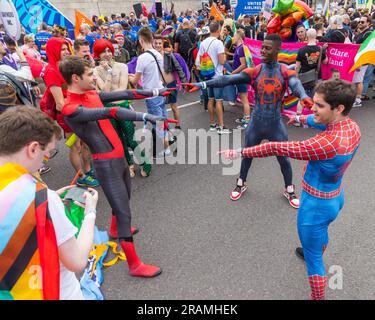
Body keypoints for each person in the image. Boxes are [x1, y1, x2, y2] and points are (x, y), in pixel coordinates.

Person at [220, 79, 361, 300]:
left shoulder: (326, 144)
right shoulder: (350, 127)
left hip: (315, 205)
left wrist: (239, 152)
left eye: (319, 105)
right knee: (320, 236)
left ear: (339, 108)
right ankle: (311, 249)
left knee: (315, 260)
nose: (313, 108)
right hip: (335, 195)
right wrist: (298, 118)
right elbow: (318, 121)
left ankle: (317, 297)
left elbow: (276, 147)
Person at [59, 56, 173, 277]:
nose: (94, 77)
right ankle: (134, 265)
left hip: (119, 158)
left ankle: (114, 230)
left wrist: (157, 92)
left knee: (124, 199)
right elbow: (112, 112)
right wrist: (148, 116)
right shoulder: (70, 108)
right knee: (124, 213)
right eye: (90, 74)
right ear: (75, 78)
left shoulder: (91, 94)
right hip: (106, 163)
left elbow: (125, 94)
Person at [185, 34, 313, 207]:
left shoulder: (284, 70)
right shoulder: (256, 71)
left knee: (283, 158)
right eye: (262, 47)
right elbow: (226, 79)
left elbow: (295, 83)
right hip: (256, 123)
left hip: (275, 124)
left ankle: (289, 188)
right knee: (247, 155)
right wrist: (202, 85)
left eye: (267, 48)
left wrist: (303, 96)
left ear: (277, 50)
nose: (263, 51)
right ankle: (241, 182)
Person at [0, 106, 99, 300]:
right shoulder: (38, 197)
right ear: (33, 148)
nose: (45, 161)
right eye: (48, 153)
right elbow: (77, 261)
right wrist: (90, 212)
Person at [93, 39, 152, 178]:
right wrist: (108, 72)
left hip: (123, 107)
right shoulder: (95, 71)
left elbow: (121, 90)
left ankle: (145, 163)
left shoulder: (122, 66)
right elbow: (105, 92)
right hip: (108, 110)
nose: (107, 54)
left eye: (109, 50)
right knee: (118, 141)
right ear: (98, 54)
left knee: (131, 139)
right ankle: (129, 164)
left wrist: (108, 92)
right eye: (103, 51)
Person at [129, 27, 171, 158]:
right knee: (163, 118)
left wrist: (127, 75)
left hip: (151, 94)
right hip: (160, 90)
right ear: (151, 39)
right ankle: (168, 141)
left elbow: (135, 81)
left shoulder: (142, 58)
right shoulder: (158, 54)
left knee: (157, 122)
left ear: (141, 40)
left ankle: (167, 148)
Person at [195, 21, 231, 134]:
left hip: (207, 75)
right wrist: (224, 57)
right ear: (218, 30)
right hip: (217, 76)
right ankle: (221, 126)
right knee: (219, 101)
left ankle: (212, 124)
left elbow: (199, 61)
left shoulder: (203, 42)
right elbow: (222, 61)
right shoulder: (219, 43)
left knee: (210, 99)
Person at [295, 29, 328, 98]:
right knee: (317, 98)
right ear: (315, 36)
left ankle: (300, 109)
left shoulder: (301, 50)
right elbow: (325, 62)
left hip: (305, 78)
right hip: (317, 77)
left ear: (307, 36)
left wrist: (296, 76)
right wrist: (324, 51)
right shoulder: (320, 49)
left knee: (303, 98)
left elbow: (297, 66)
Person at [230, 30, 251, 130]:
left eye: (234, 36)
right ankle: (245, 118)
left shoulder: (241, 48)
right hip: (240, 76)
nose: (232, 38)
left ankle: (247, 121)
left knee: (244, 99)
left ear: (238, 37)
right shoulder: (239, 48)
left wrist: (233, 73)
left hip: (241, 76)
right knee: (243, 99)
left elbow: (244, 64)